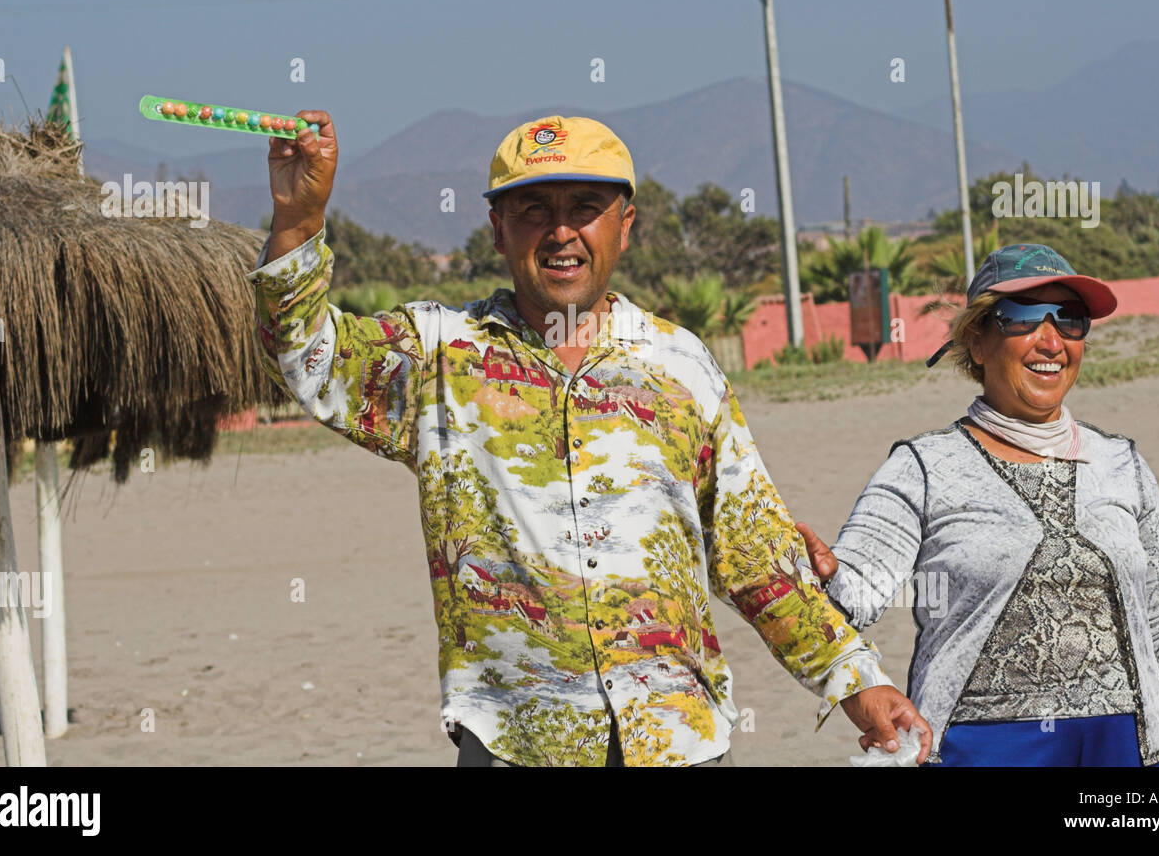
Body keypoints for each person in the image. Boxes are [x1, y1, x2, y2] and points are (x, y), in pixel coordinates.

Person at [247, 110, 932, 766]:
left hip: (678, 741)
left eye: (584, 207)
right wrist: (300, 217)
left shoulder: (680, 364)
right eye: (534, 210)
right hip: (513, 741)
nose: (561, 231)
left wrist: (856, 681)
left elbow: (751, 553)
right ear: (497, 229)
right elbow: (307, 355)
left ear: (625, 226)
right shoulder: (437, 355)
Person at [797, 244, 1159, 766]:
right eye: (1023, 317)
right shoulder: (925, 467)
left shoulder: (1121, 463)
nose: (1051, 341)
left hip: (1127, 755)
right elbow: (854, 595)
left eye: (1070, 319)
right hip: (976, 753)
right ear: (976, 341)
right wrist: (825, 578)